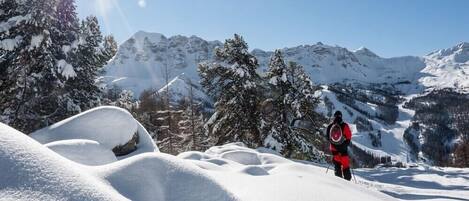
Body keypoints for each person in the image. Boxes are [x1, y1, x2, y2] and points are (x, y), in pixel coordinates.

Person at [326, 111, 352, 181]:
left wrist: (333, 143)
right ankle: (347, 181)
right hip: (343, 149)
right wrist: (345, 144)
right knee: (345, 165)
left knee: (337, 165)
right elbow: (349, 137)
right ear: (341, 116)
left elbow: (327, 138)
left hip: (334, 149)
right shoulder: (344, 125)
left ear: (334, 116)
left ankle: (339, 182)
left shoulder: (330, 126)